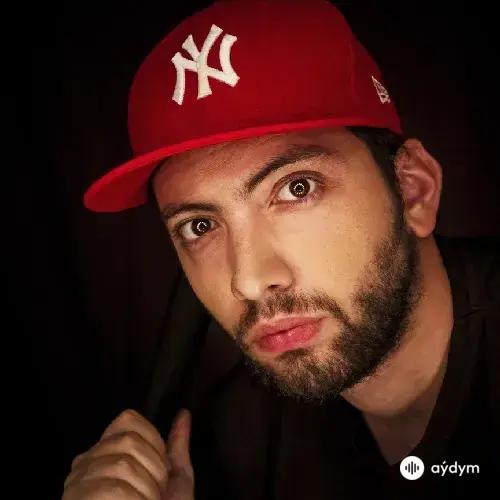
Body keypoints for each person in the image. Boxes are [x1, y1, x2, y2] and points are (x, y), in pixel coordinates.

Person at [62, 0, 499, 499]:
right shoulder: (233, 441)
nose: (248, 280)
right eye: (200, 225)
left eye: (296, 188)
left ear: (413, 190)